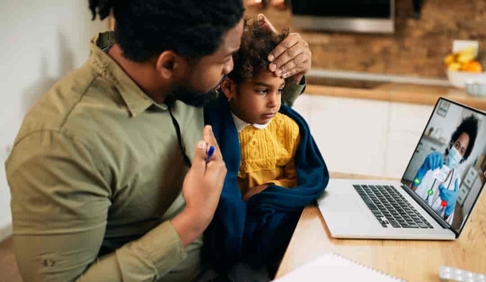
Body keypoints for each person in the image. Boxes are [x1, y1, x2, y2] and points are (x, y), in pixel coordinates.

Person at [4, 0, 313, 281]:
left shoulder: (190, 78)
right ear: (168, 65)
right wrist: (192, 221)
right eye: (224, 60)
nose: (230, 68)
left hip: (229, 261)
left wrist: (292, 72)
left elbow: (249, 110)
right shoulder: (62, 143)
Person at [202, 21, 329, 281]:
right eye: (262, 91)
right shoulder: (210, 129)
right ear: (228, 88)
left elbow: (302, 178)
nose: (275, 102)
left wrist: (270, 189)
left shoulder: (288, 129)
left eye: (280, 90)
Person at [411, 115, 479, 224]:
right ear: (452, 143)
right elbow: (412, 193)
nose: (457, 152)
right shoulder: (433, 161)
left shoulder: (456, 180)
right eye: (457, 145)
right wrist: (421, 173)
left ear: (463, 157)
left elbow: (445, 223)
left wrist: (449, 209)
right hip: (412, 212)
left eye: (462, 151)